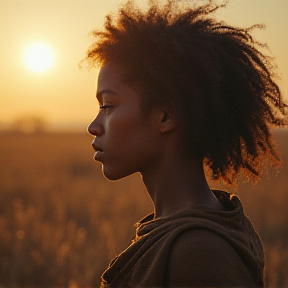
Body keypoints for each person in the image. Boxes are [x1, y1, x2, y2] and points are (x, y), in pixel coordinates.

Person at [85, 1, 287, 287]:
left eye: (108, 106)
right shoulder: (188, 230)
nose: (94, 126)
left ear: (167, 116)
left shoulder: (198, 253)